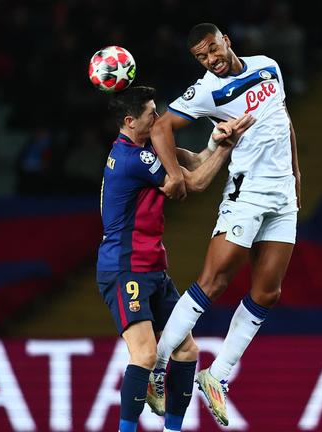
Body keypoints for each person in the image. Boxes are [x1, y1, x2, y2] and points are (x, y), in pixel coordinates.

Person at [149, 23, 301, 426]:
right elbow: (160, 127)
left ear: (226, 41)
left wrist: (297, 179)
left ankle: (217, 376)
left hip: (284, 195)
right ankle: (155, 366)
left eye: (213, 49)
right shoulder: (205, 91)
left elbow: (284, 122)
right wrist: (175, 174)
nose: (211, 59)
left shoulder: (268, 66)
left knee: (268, 292)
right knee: (214, 281)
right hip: (247, 194)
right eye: (202, 57)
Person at [96, 85, 254, 432]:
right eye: (152, 114)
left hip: (153, 265)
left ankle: (172, 430)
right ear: (129, 121)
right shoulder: (131, 159)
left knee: (186, 351)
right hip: (126, 268)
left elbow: (194, 160)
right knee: (146, 354)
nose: (159, 119)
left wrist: (214, 143)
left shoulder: (149, 149)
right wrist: (227, 150)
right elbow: (194, 183)